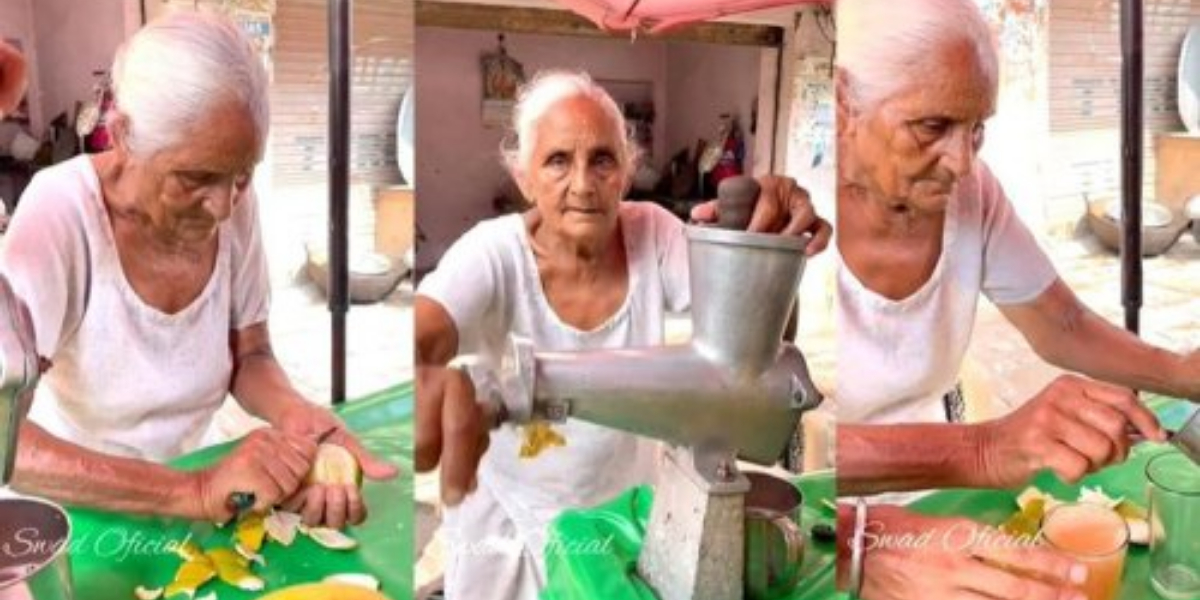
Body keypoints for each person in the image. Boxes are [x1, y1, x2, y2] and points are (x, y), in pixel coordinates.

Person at [414, 70, 831, 600]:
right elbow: (426, 333)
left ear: (628, 171)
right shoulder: (491, 255)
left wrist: (764, 253)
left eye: (603, 160)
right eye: (558, 160)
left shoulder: (654, 233)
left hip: (620, 526)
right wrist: (424, 374)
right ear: (524, 176)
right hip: (510, 531)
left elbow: (756, 346)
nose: (583, 184)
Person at [831, 0, 1197, 598]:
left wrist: (1186, 374)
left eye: (977, 129)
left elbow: (1064, 324)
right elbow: (764, 456)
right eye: (933, 127)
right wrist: (982, 448)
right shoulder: (791, 225)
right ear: (846, 102)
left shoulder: (972, 193)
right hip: (817, 515)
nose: (963, 162)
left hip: (936, 497)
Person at [1, 12, 396, 527]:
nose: (224, 208)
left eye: (243, 175)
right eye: (195, 178)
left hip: (196, 473)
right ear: (123, 136)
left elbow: (249, 354)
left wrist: (299, 419)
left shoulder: (231, 200)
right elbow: (8, 441)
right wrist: (195, 490)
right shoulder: (62, 211)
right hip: (84, 503)